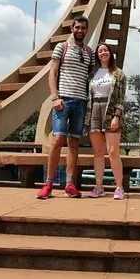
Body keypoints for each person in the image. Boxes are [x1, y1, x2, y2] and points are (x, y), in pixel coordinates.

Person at [36, 15, 95, 199]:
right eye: (77, 27)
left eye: (83, 28)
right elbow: (52, 73)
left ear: (87, 30)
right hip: (63, 101)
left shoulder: (89, 52)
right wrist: (55, 97)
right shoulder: (62, 47)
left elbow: (92, 76)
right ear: (72, 28)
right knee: (57, 140)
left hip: (81, 102)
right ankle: (48, 184)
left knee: (74, 142)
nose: (80, 30)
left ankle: (70, 184)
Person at [84, 43, 127, 200]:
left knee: (113, 151)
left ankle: (119, 187)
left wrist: (117, 116)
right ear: (97, 55)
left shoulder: (118, 74)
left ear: (110, 53)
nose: (103, 53)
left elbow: (121, 98)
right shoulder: (92, 74)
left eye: (105, 50)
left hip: (110, 111)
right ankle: (99, 187)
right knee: (98, 153)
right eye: (100, 51)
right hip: (94, 110)